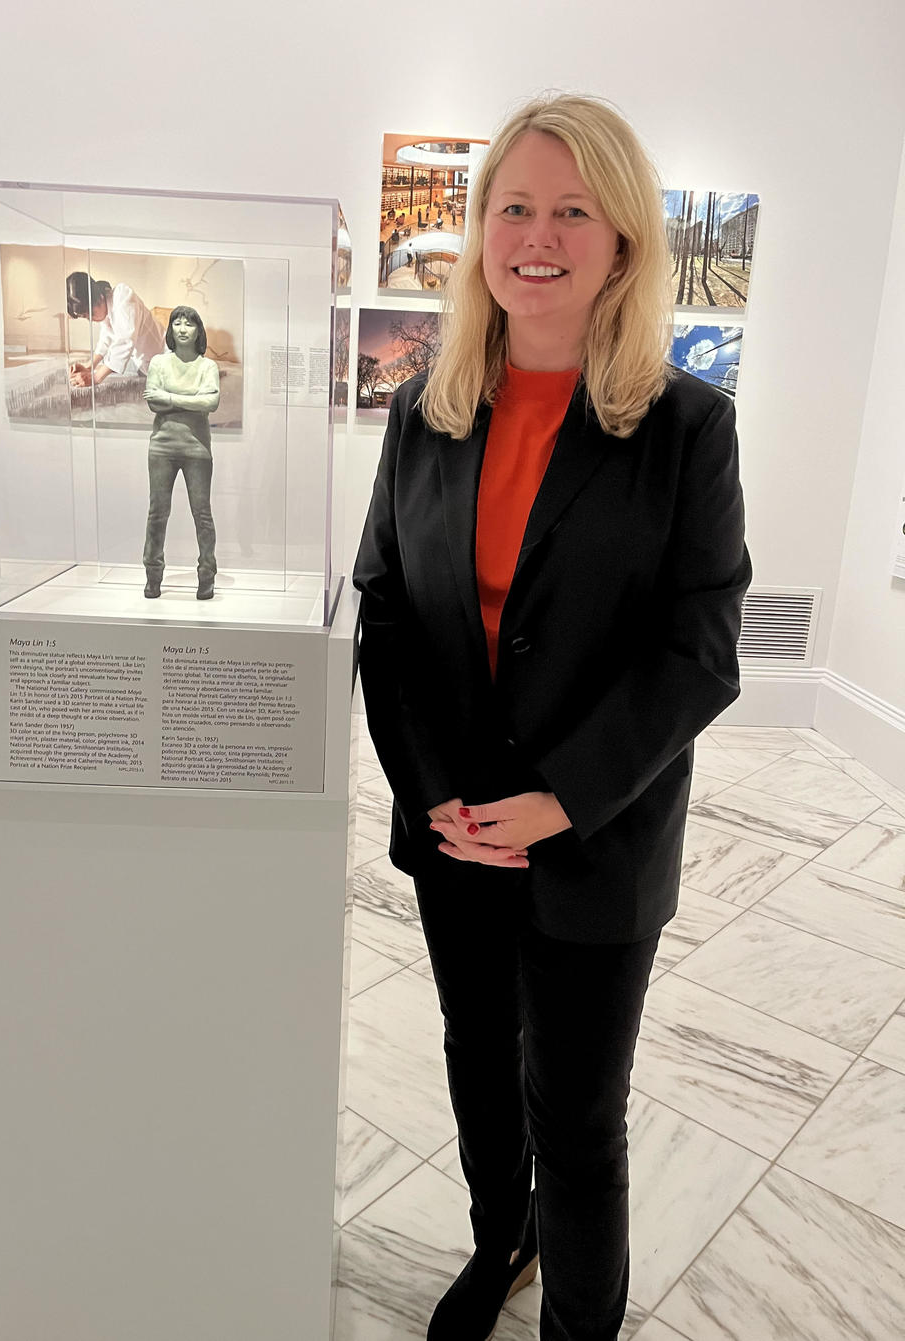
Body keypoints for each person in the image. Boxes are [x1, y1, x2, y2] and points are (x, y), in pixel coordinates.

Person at [353, 93, 752, 1341]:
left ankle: (582, 1319)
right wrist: (433, 795)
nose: (539, 234)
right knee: (480, 1068)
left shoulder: (687, 427)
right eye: (513, 207)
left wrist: (565, 797)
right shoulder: (425, 412)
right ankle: (502, 1242)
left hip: (595, 839)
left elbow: (699, 649)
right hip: (456, 829)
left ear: (623, 240)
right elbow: (383, 617)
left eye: (573, 210)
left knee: (575, 1112)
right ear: (477, 235)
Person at [141, 306, 220, 600]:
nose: (183, 328)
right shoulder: (159, 363)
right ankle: (152, 575)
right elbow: (153, 402)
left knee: (202, 514)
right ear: (170, 329)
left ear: (199, 330)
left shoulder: (207, 366)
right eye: (177, 322)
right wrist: (192, 399)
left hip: (197, 448)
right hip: (161, 447)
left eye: (189, 323)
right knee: (157, 513)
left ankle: (207, 576)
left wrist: (170, 398)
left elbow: (211, 403)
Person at [65, 272, 165, 387]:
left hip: (164, 361)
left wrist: (96, 378)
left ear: (99, 297)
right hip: (143, 364)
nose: (91, 319)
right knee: (109, 361)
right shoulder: (106, 310)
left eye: (91, 313)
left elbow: (124, 341)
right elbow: (106, 339)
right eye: (86, 317)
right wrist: (89, 366)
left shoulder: (122, 295)